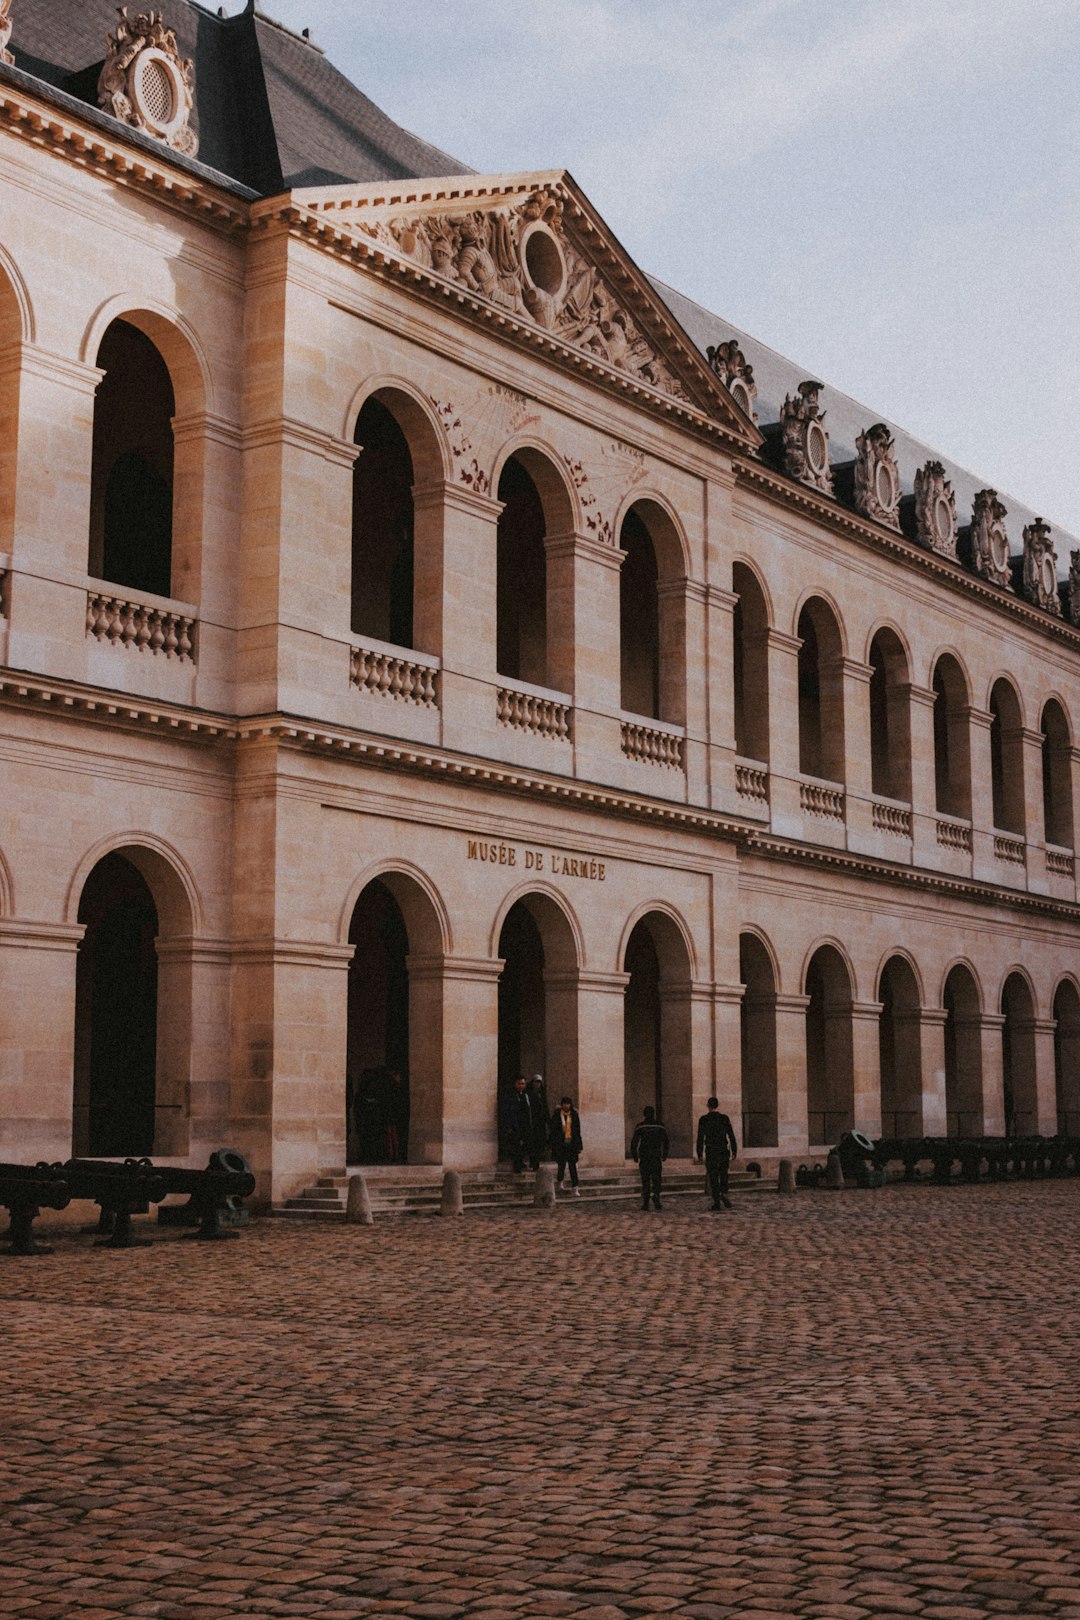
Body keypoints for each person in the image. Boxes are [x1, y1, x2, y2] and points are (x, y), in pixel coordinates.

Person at [696, 1096, 738, 1210]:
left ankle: (716, 1200)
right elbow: (731, 1135)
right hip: (723, 1150)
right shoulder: (724, 1118)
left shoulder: (704, 1119)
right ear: (717, 1106)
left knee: (713, 1175)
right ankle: (724, 1192)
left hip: (711, 1150)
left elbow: (700, 1137)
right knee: (723, 1173)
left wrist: (699, 1153)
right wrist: (734, 1150)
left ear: (708, 1106)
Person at [630, 1106, 669, 1210]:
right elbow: (666, 1141)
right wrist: (665, 1154)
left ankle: (646, 1201)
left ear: (644, 1114)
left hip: (645, 1156)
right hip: (656, 1155)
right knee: (656, 1179)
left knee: (645, 1179)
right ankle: (656, 1196)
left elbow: (634, 1142)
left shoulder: (640, 1126)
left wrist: (635, 1156)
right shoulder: (660, 1126)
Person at [550, 1094, 582, 1195]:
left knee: (572, 1166)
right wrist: (553, 1144)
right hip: (561, 1144)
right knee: (561, 1164)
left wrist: (579, 1145)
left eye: (568, 1104)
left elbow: (577, 1131)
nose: (566, 1106)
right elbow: (553, 1130)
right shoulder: (557, 1115)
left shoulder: (574, 1115)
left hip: (571, 1144)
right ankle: (560, 1182)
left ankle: (575, 1187)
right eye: (564, 1104)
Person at [501, 1076, 534, 1173]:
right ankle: (517, 1165)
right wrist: (508, 1126)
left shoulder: (525, 1096)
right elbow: (506, 1111)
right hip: (514, 1125)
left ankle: (520, 1161)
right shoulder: (510, 1096)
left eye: (523, 1084)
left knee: (524, 1145)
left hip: (524, 1125)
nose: (521, 1086)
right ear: (515, 1084)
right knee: (516, 1145)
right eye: (519, 1083)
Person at [527, 1074, 549, 1167]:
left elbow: (545, 1107)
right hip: (531, 1122)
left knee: (539, 1142)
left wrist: (548, 1120)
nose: (537, 1084)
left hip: (540, 1122)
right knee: (532, 1143)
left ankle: (536, 1162)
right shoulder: (528, 1094)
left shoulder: (542, 1094)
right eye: (536, 1082)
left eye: (539, 1082)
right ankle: (533, 1162)